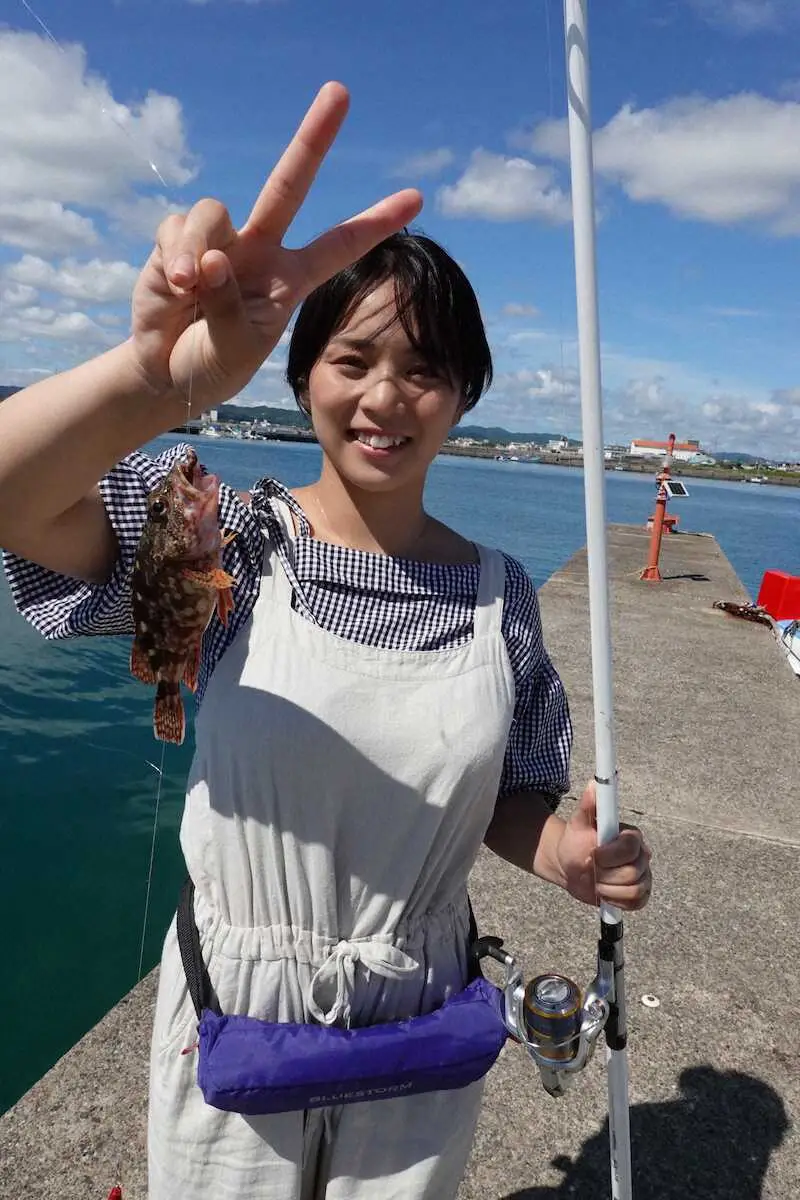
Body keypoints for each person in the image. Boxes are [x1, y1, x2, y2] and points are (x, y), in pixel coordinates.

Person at [0, 82, 652, 1200]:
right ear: (300, 377)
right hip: (233, 1023)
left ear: (463, 399)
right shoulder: (233, 541)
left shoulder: (498, 595)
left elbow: (515, 795)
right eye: (351, 360)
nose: (384, 396)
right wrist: (151, 382)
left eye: (425, 370)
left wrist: (562, 856)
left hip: (420, 1033)